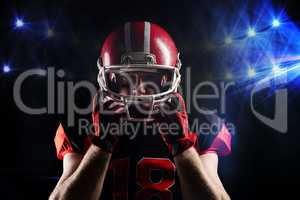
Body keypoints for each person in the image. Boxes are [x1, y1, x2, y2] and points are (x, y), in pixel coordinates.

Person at [49, 21, 232, 200]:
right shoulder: (82, 123)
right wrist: (102, 143)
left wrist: (181, 144)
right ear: (108, 79)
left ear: (167, 79)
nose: (138, 90)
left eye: (150, 78)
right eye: (125, 78)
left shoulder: (201, 124)